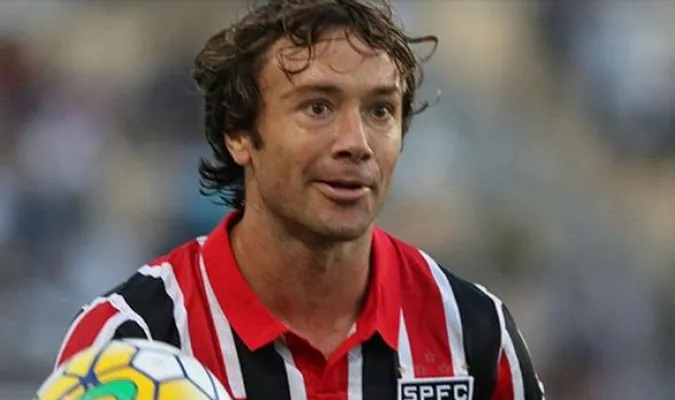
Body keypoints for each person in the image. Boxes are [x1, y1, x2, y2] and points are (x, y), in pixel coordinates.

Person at [55, 1, 545, 399]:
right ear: (238, 133)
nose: (356, 143)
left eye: (380, 111)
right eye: (318, 107)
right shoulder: (129, 341)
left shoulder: (476, 334)